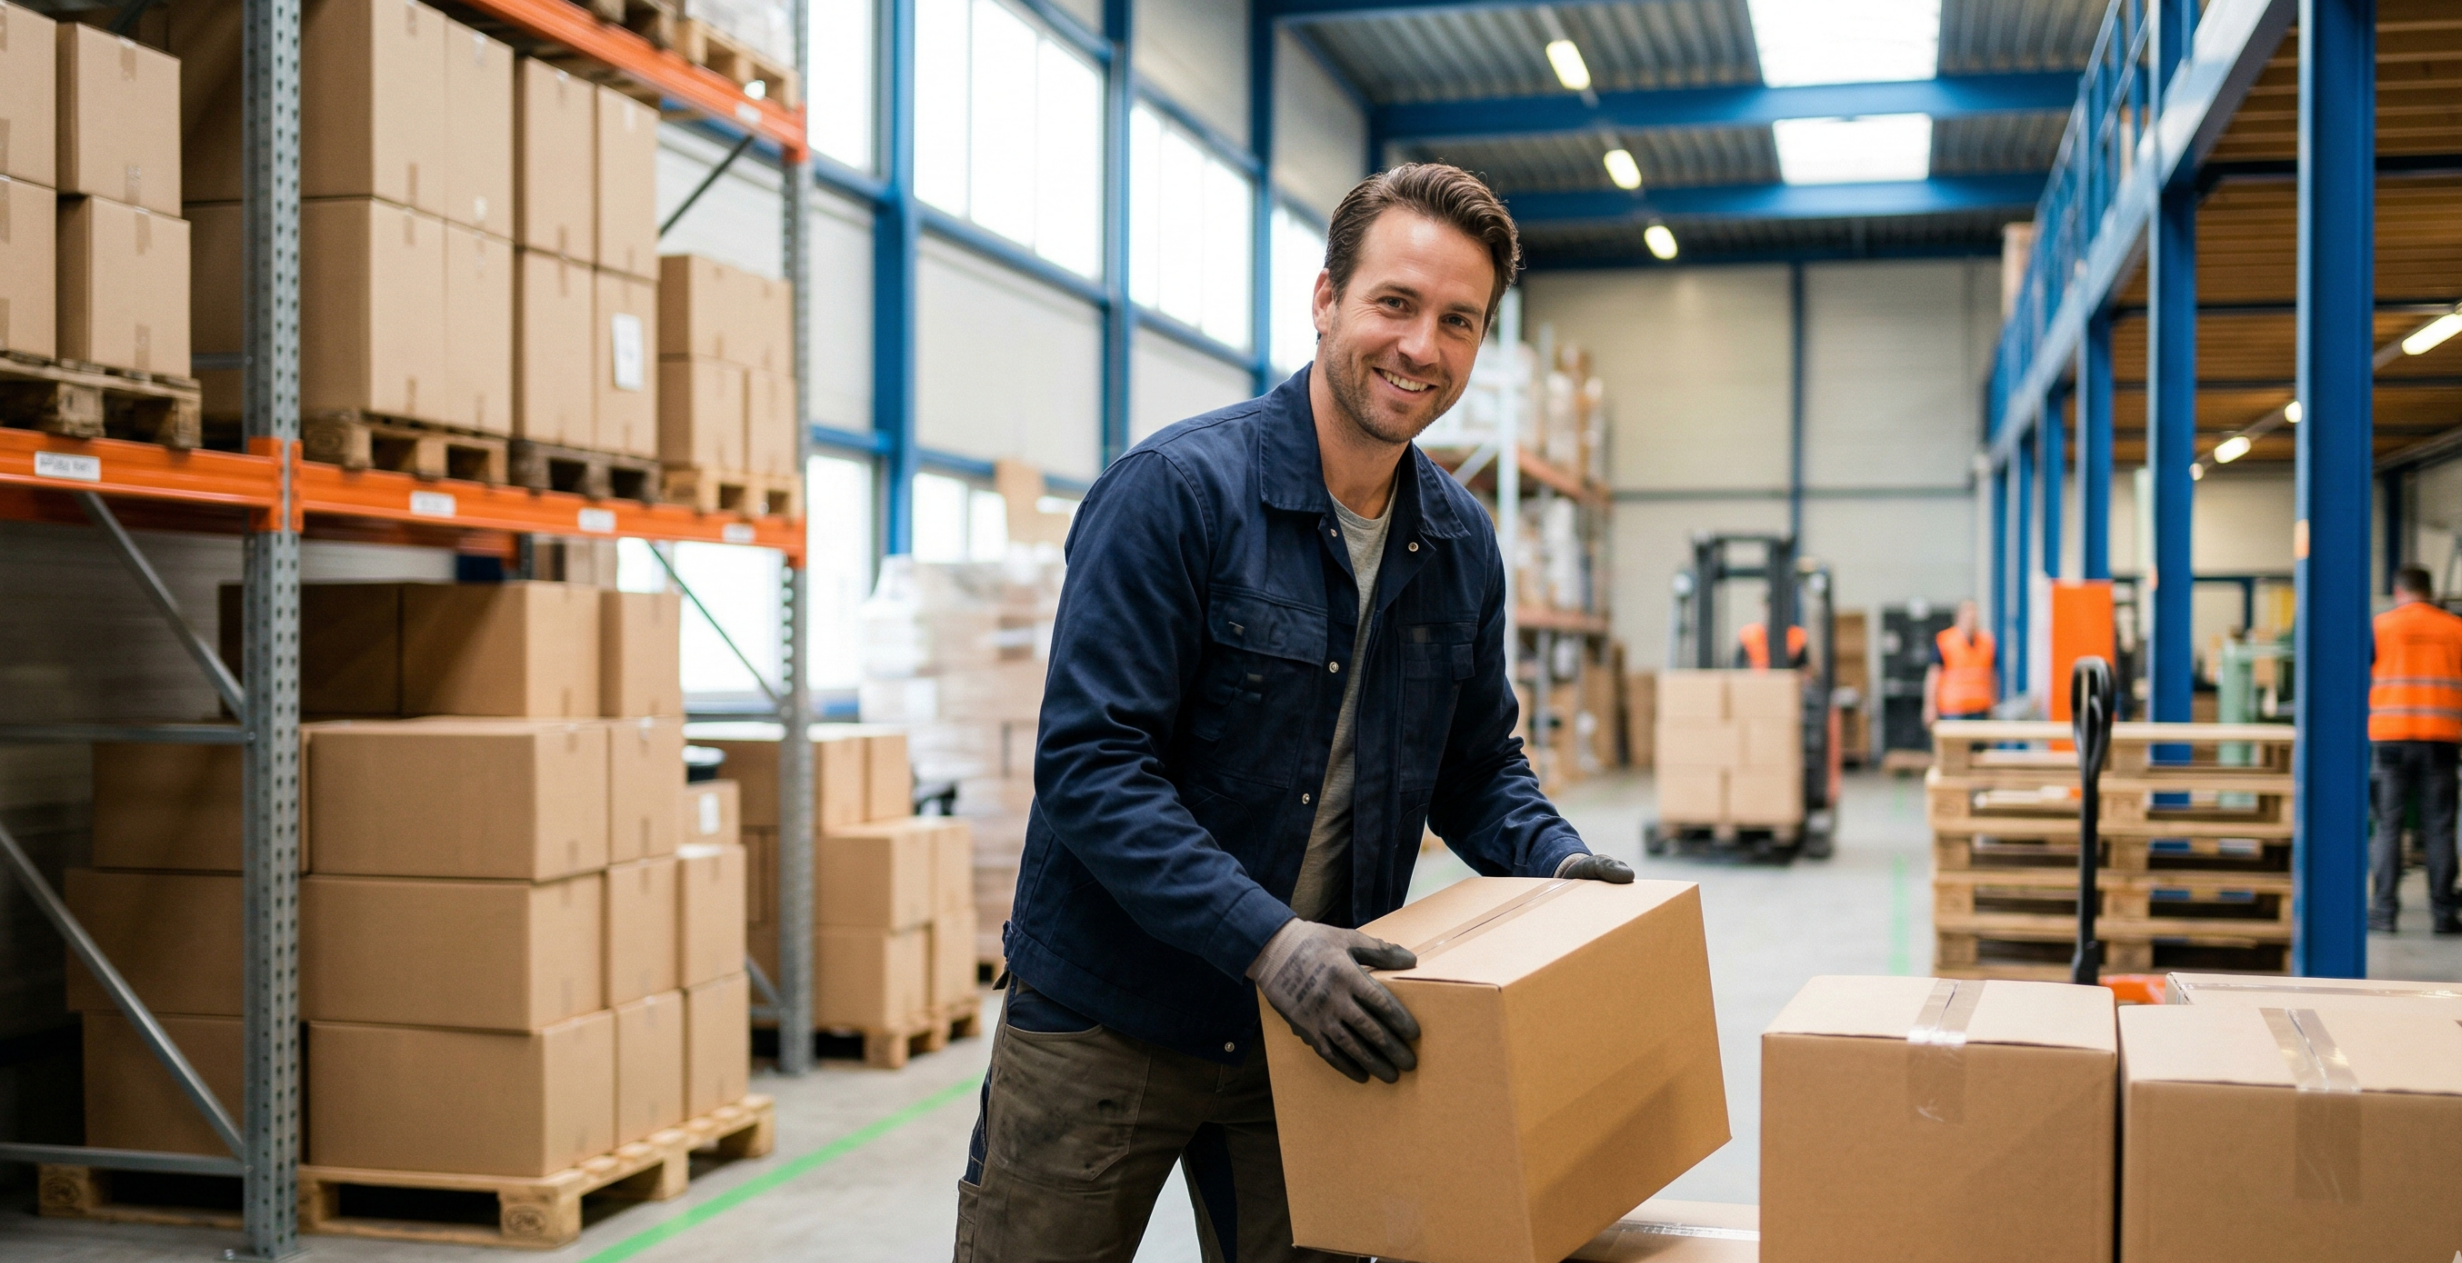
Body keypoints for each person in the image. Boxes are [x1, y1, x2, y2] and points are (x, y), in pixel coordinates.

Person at [950, 164, 1633, 1263]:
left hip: (1314, 1029)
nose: (1421, 347)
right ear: (1326, 302)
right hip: (1109, 1014)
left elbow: (1475, 766)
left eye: (1457, 322)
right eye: (1394, 304)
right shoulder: (1175, 495)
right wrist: (1269, 942)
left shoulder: (1458, 546)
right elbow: (1092, 767)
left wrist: (1556, 866)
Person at [2368, 566, 2462, 935]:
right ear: (2429, 589)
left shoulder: (2381, 626)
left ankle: (2384, 912)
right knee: (2440, 827)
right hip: (2441, 739)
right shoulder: (2454, 628)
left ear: (2398, 590)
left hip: (2391, 738)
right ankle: (2443, 914)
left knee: (2389, 826)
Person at [1923, 600, 1996, 726]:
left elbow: (1991, 676)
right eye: (1967, 616)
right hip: (1953, 710)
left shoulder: (1987, 642)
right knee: (1954, 745)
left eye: (1974, 616)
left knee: (1979, 745)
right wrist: (1930, 706)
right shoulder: (1945, 640)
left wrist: (1993, 704)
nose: (1971, 620)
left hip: (1980, 708)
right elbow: (1933, 675)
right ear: (1958, 617)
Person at [1734, 612, 1808, 671]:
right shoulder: (1751, 634)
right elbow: (1737, 666)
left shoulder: (1795, 636)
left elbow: (1804, 668)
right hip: (1756, 681)